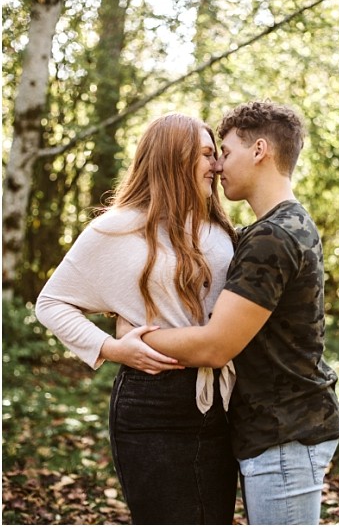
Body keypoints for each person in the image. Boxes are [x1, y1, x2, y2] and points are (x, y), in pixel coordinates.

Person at [120, 100, 339, 525]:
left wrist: (132, 338)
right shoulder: (284, 225)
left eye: (225, 151)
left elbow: (216, 346)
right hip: (278, 431)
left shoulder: (273, 237)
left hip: (285, 435)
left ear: (259, 150)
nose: (218, 165)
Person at [35, 114, 239, 524]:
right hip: (152, 404)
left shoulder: (218, 227)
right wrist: (111, 348)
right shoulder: (116, 229)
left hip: (223, 402)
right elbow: (52, 302)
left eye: (217, 155)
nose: (216, 166)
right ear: (171, 159)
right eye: (205, 155)